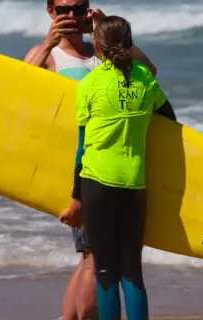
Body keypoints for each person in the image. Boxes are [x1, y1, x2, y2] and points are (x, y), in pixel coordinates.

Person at [22, 1, 158, 319]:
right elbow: (19, 88)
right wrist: (48, 43)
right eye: (62, 10)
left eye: (78, 8)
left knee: (91, 256)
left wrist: (110, 34)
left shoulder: (102, 53)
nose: (71, 16)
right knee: (94, 258)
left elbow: (147, 72)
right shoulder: (49, 55)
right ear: (50, 12)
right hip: (78, 168)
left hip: (101, 169)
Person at [69, 15, 176, 320]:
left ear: (98, 48)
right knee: (132, 271)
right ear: (129, 43)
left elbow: (82, 148)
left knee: (105, 271)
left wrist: (75, 196)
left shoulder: (89, 84)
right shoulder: (146, 79)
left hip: (97, 184)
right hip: (135, 184)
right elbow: (169, 120)